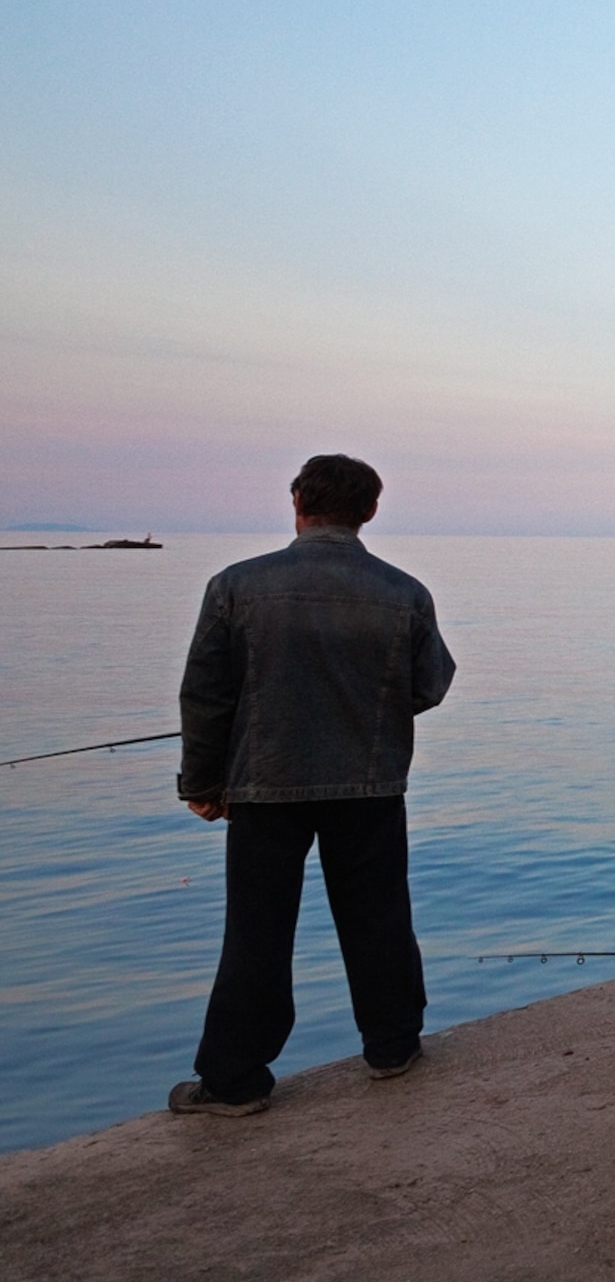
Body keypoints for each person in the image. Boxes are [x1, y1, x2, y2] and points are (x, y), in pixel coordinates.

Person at [170, 454, 457, 1115]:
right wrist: (368, 707)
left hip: (265, 786)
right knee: (380, 918)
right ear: (370, 511)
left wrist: (203, 781)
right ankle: (393, 1046)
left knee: (257, 932)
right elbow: (429, 685)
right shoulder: (403, 592)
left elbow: (206, 695)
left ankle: (235, 1080)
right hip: (371, 784)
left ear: (297, 499)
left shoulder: (237, 586)